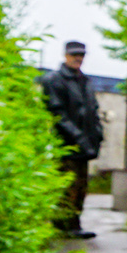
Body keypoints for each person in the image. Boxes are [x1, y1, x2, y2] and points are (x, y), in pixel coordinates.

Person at [41, 40, 104, 239]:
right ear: (66, 55)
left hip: (85, 142)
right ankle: (63, 224)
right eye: (75, 54)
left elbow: (92, 111)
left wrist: (97, 135)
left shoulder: (85, 81)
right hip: (66, 144)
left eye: (82, 55)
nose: (78, 58)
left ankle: (73, 223)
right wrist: (78, 138)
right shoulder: (54, 80)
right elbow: (57, 113)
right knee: (68, 185)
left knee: (81, 185)